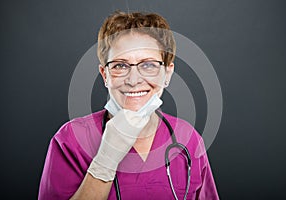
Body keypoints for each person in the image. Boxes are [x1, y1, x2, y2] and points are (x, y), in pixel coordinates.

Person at [38, 11, 219, 200]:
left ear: (167, 73)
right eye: (120, 66)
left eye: (148, 65)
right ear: (105, 75)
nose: (133, 80)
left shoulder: (188, 139)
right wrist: (105, 162)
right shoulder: (70, 140)